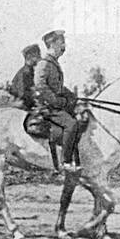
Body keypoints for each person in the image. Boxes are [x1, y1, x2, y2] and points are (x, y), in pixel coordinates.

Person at [32, 29, 86, 172]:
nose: (64, 46)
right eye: (61, 42)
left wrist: (73, 97)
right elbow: (41, 87)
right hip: (48, 107)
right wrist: (57, 102)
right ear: (52, 44)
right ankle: (65, 162)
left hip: (54, 105)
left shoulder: (53, 63)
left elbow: (58, 87)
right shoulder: (44, 64)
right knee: (71, 124)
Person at [5, 44, 42, 109]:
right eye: (37, 55)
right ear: (30, 57)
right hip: (19, 106)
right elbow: (22, 94)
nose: (40, 58)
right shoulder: (25, 73)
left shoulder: (30, 72)